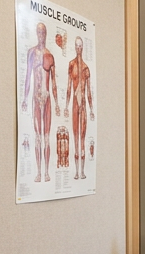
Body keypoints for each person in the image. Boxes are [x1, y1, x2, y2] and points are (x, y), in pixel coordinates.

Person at [21, 22, 58, 182]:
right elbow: (27, 76)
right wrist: (24, 98)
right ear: (36, 33)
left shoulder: (50, 56)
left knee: (47, 137)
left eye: (43, 32)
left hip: (47, 98)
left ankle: (47, 173)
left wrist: (56, 103)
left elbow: (54, 82)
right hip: (36, 98)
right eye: (39, 32)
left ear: (46, 34)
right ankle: (38, 172)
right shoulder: (31, 53)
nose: (41, 35)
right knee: (37, 136)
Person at [65, 37, 94, 179]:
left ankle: (82, 171)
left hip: (83, 106)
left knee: (82, 137)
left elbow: (88, 91)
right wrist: (66, 105)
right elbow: (69, 87)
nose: (78, 48)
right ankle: (76, 172)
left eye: (80, 46)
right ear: (75, 47)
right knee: (75, 136)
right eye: (76, 46)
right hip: (75, 105)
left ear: (82, 48)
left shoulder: (86, 68)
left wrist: (92, 108)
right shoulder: (71, 65)